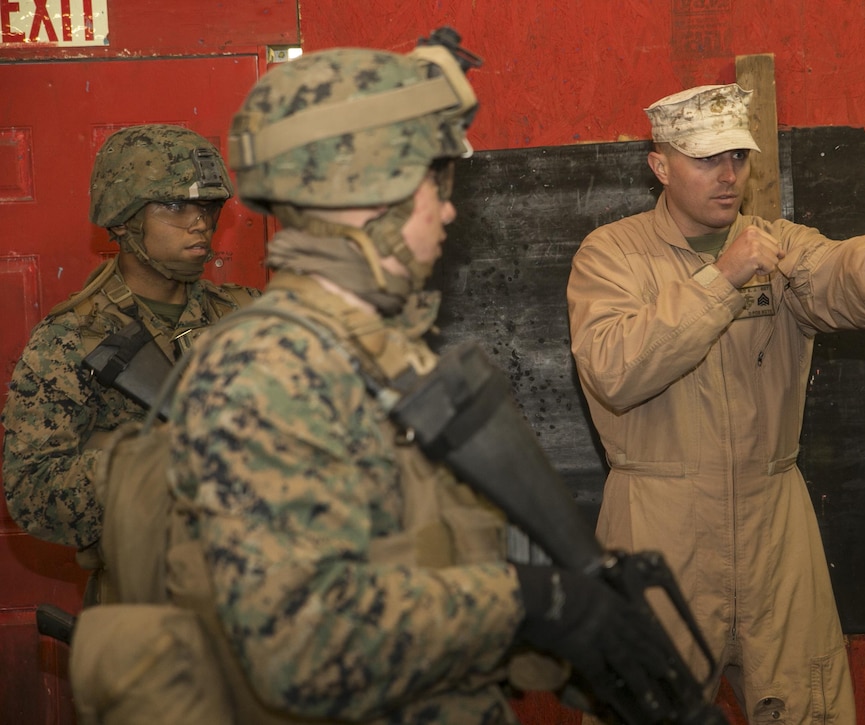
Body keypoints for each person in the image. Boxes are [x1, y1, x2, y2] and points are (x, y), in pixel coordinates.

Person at [155, 34, 680, 723]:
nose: (449, 208)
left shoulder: (380, 352)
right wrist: (530, 602)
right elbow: (300, 647)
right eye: (434, 182)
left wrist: (571, 632)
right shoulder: (269, 365)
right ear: (368, 198)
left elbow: (432, 555)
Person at [566, 84, 865, 725]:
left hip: (774, 523)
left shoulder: (777, 244)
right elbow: (616, 371)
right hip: (656, 526)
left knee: (807, 705)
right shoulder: (611, 256)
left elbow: (838, 269)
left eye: (737, 156)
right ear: (659, 165)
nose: (727, 175)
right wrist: (722, 279)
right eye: (706, 158)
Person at [2, 125, 260, 558]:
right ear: (124, 217)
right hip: (146, 593)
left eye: (208, 206)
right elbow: (32, 492)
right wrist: (165, 463)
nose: (200, 223)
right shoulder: (73, 339)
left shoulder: (247, 315)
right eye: (176, 205)